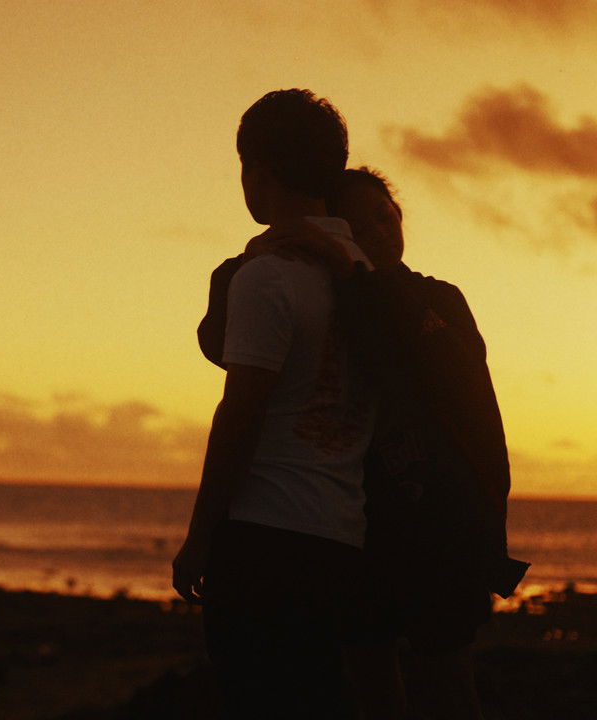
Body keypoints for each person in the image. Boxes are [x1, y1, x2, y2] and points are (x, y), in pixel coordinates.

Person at [197, 167, 528, 719]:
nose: (379, 227)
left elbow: (427, 357)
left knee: (445, 678)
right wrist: (253, 257)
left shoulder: (434, 300)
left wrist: (349, 268)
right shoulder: (325, 295)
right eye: (359, 220)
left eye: (388, 214)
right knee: (370, 678)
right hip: (358, 519)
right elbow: (218, 341)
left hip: (440, 523)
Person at [171, 89, 375, 719]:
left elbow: (240, 414)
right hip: (343, 536)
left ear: (257, 170)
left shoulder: (269, 277)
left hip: (266, 538)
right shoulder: (365, 272)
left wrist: (199, 538)